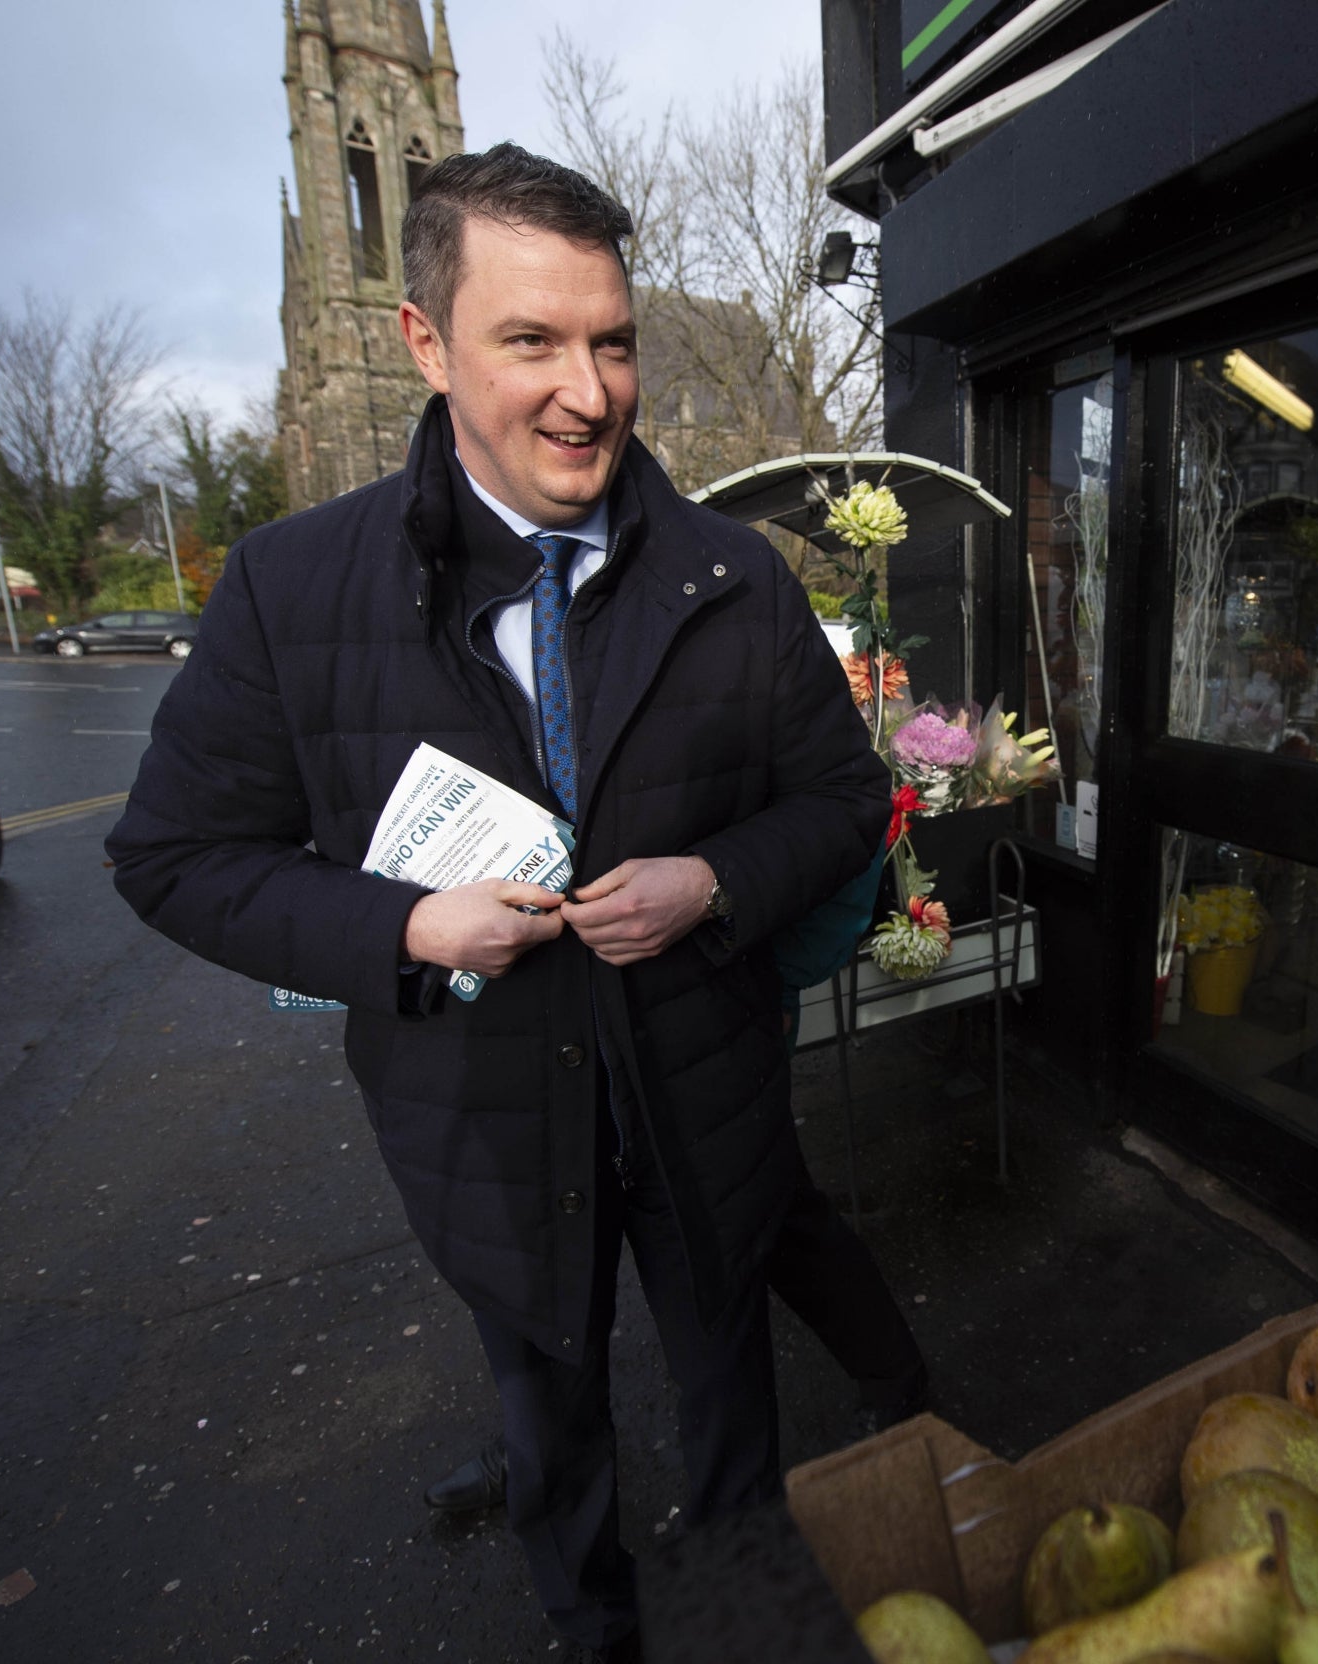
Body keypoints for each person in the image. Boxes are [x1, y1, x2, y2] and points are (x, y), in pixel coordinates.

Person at [106, 143, 890, 1658]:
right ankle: (589, 1626)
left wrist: (714, 880)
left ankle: (738, 1617)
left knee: (729, 1395)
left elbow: (846, 802)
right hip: (479, 1119)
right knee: (551, 1409)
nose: (586, 392)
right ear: (425, 339)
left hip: (702, 1094)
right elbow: (173, 858)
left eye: (611, 341)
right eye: (530, 341)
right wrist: (402, 929)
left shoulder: (738, 577)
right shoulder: (289, 588)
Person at [425, 854, 923, 1515]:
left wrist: (775, 979)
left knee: (765, 1212)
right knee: (541, 1249)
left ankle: (892, 1377)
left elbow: (841, 828)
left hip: (706, 1018)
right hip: (531, 1031)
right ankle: (537, 1447)